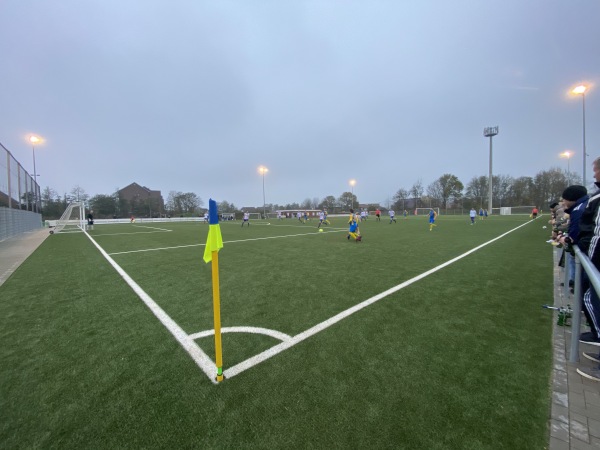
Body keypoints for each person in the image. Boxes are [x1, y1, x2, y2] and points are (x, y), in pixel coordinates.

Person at [575, 157, 600, 380]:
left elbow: (596, 234)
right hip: (593, 259)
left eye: (596, 170)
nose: (594, 175)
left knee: (592, 298)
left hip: (596, 260)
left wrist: (588, 261)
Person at [557, 186, 589, 294]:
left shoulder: (579, 210)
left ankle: (578, 290)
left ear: (570, 198)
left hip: (585, 249)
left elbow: (576, 233)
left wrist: (567, 239)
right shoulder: (581, 207)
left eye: (564, 199)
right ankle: (574, 282)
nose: (563, 202)